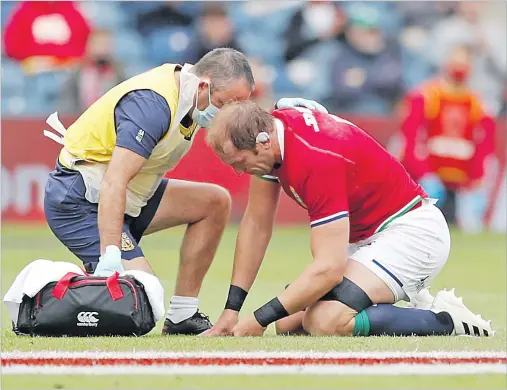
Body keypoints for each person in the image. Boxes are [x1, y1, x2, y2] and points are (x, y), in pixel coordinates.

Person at [43, 47, 325, 336]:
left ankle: (182, 315)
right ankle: (49, 302)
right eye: (226, 104)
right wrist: (111, 253)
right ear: (204, 85)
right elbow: (114, 181)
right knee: (141, 301)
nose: (231, 114)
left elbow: (242, 120)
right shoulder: (152, 106)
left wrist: (280, 112)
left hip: (132, 195)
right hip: (82, 199)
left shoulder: (196, 93)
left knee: (214, 202)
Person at [202, 100, 493, 338]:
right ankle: (409, 303)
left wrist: (258, 319)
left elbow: (328, 269)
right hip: (369, 235)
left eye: (239, 163)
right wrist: (232, 310)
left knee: (325, 321)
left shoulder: (315, 158)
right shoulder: (269, 135)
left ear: (263, 143)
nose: (239, 172)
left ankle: (444, 320)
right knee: (289, 323)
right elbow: (256, 225)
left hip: (410, 233)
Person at [399, 45, 496, 233]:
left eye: (465, 64)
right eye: (456, 63)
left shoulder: (477, 102)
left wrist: (476, 180)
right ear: (445, 64)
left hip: (459, 185)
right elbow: (411, 139)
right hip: (427, 182)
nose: (460, 68)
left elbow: (484, 145)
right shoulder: (426, 96)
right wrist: (424, 173)